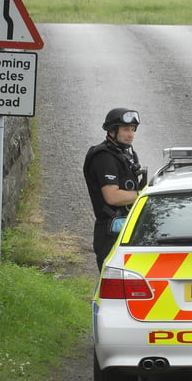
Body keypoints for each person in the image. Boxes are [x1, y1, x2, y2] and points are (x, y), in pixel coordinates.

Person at [83, 108, 146, 271]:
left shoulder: (124, 154)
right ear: (112, 131)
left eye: (133, 130)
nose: (131, 134)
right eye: (126, 129)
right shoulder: (104, 157)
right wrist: (143, 195)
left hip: (125, 228)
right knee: (113, 285)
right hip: (110, 233)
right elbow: (112, 197)